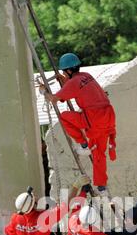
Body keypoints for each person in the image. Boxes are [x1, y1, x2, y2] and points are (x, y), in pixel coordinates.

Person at [39, 53, 117, 195]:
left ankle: (83, 143)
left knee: (63, 117)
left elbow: (54, 98)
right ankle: (101, 186)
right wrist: (62, 80)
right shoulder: (86, 76)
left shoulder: (73, 83)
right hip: (108, 117)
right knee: (99, 152)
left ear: (68, 70)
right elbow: (74, 87)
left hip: (93, 118)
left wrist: (44, 91)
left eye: (64, 72)